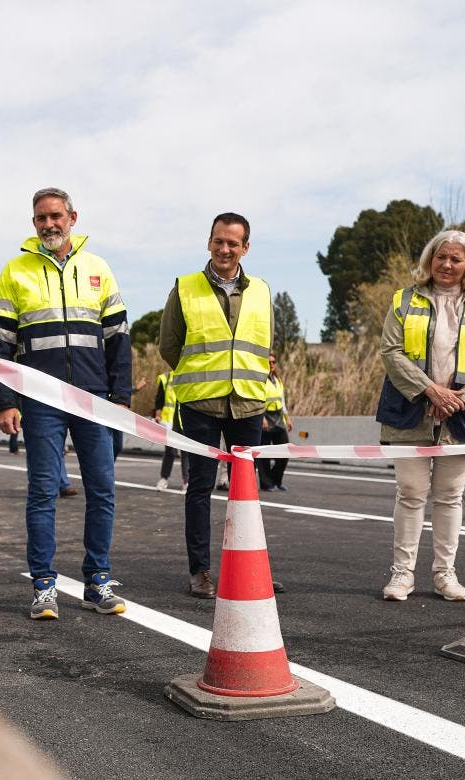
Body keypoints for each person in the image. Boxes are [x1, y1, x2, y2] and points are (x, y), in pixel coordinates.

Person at [0, 187, 132, 620]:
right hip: (41, 401)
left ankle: (98, 581)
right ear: (33, 223)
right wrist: (6, 400)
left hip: (94, 400)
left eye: (56, 216)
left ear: (73, 217)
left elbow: (119, 339)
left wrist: (121, 397)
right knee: (42, 492)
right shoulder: (15, 271)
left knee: (103, 490)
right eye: (40, 218)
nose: (49, 224)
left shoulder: (98, 268)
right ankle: (44, 585)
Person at [376, 229, 465, 602]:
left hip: (462, 415)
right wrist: (430, 390)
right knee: (411, 493)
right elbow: (391, 351)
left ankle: (444, 574)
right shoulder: (403, 299)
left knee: (451, 496)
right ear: (429, 259)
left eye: (456, 259)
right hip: (410, 410)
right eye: (441, 257)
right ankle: (402, 574)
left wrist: (459, 400)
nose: (447, 264)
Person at [159, 212, 283, 599]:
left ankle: (250, 567)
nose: (225, 249)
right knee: (200, 488)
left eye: (233, 243)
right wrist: (202, 373)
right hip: (201, 405)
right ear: (209, 242)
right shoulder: (185, 287)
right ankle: (201, 571)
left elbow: (264, 344)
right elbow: (169, 345)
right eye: (218, 241)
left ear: (245, 247)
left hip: (248, 404)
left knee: (247, 493)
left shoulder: (262, 290)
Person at [258, 352, 293, 492]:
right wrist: (262, 418)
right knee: (264, 455)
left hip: (278, 418)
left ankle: (276, 480)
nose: (271, 364)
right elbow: (258, 401)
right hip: (265, 418)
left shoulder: (277, 380)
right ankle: (266, 484)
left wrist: (287, 418)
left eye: (273, 362)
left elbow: (282, 401)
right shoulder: (261, 380)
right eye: (268, 362)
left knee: (285, 452)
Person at [155, 371, 189, 491]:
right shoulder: (166, 378)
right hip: (169, 421)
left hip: (184, 419)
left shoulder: (189, 374)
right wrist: (158, 415)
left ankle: (186, 481)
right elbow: (159, 399)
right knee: (170, 451)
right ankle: (164, 478)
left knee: (186, 451)